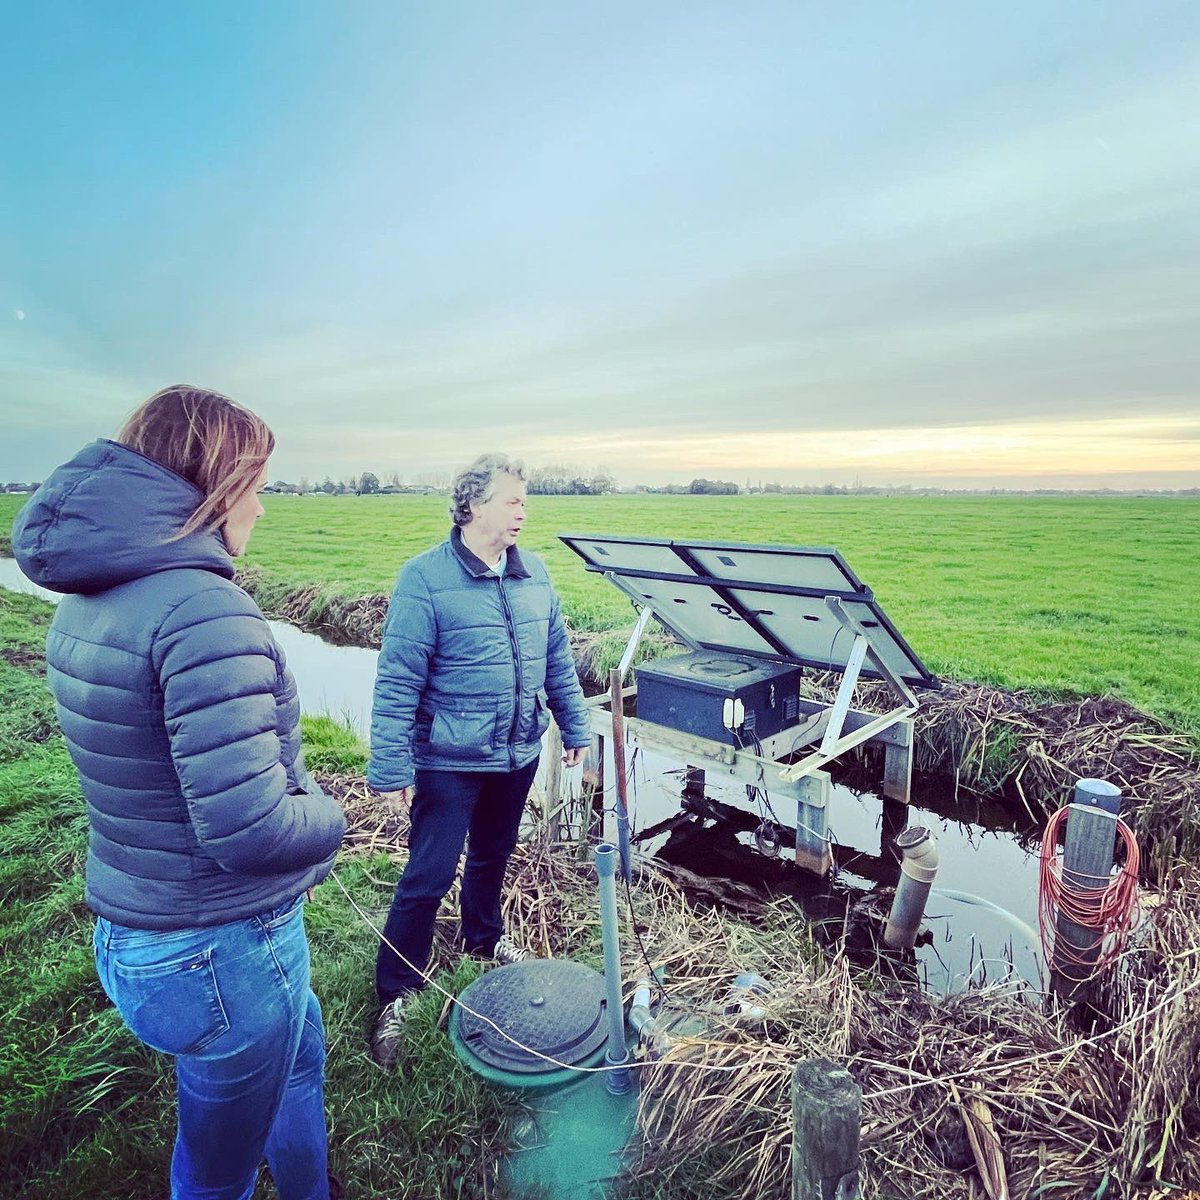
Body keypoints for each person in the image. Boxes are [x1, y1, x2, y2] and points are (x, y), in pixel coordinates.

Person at [12, 386, 346, 1200]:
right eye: (257, 486)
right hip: (221, 946)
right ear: (215, 487)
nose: (263, 509)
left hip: (141, 929)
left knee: (302, 1057)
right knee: (216, 1171)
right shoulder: (205, 611)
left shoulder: (92, 596)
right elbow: (251, 830)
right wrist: (334, 814)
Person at [367, 452, 590, 1069]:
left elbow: (557, 663)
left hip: (516, 750)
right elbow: (397, 681)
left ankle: (483, 942)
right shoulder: (424, 578)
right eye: (511, 500)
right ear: (471, 505)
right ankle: (397, 994)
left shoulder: (534, 574)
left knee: (494, 855)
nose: (523, 510)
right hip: (448, 759)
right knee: (428, 875)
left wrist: (575, 726)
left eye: (524, 500)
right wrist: (390, 767)